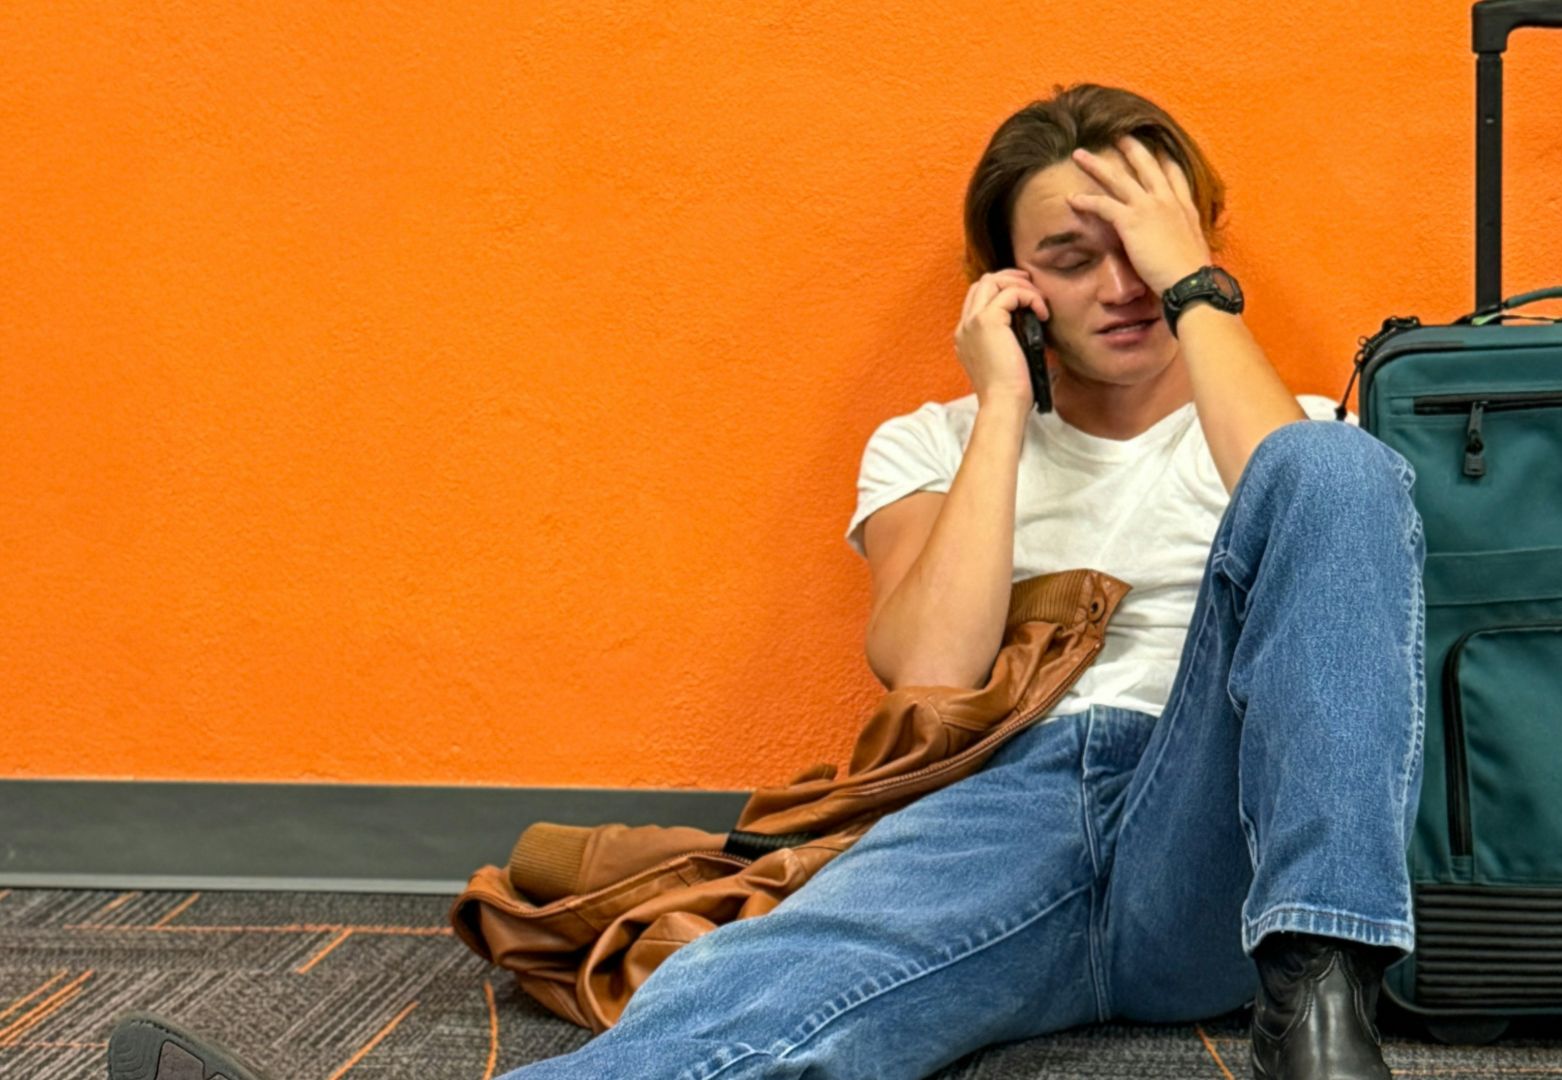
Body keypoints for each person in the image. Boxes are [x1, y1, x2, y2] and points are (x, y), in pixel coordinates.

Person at [109, 82, 1425, 1080]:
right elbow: (932, 672)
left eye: (1145, 243)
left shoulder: (1287, 422)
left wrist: (1201, 287)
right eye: (1071, 256)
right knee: (773, 991)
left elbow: (1306, 503)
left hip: (1227, 843)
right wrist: (1005, 416)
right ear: (1012, 286)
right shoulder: (937, 444)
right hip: (1014, 813)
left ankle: (1321, 1006)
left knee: (1339, 474)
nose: (1122, 285)